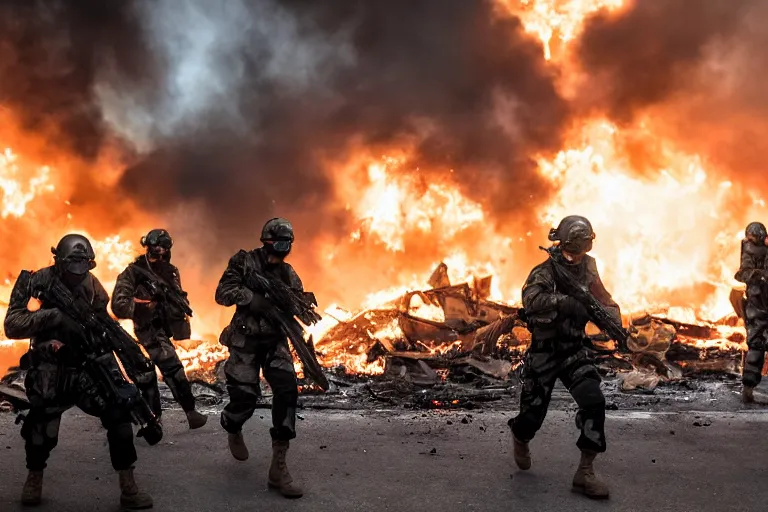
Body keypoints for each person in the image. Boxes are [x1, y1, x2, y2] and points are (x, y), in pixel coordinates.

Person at [4, 234, 153, 509]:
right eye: (71, 267)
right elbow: (12, 324)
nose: (76, 275)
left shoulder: (92, 285)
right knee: (40, 428)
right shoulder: (37, 281)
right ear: (58, 261)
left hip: (86, 367)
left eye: (82, 266)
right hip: (51, 367)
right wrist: (52, 318)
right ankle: (34, 477)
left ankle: (128, 486)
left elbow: (102, 322)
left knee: (119, 414)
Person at [509, 216, 620, 499]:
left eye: (581, 250)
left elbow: (602, 297)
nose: (575, 257)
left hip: (573, 350)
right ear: (561, 243)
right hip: (545, 353)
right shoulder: (545, 272)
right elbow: (530, 301)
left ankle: (585, 472)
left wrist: (615, 322)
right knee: (532, 416)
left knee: (594, 401)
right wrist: (565, 302)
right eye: (571, 250)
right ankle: (520, 436)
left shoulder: (588, 267)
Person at [214, 218, 304, 499]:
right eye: (279, 243)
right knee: (245, 399)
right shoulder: (244, 263)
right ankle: (232, 423)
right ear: (266, 241)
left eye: (287, 244)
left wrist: (291, 306)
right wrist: (250, 298)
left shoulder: (289, 274)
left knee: (287, 391)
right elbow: (222, 293)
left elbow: (299, 302)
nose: (283, 249)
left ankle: (279, 467)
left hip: (275, 342)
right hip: (246, 341)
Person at [111, 229, 207, 429]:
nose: (159, 252)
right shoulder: (133, 272)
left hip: (162, 329)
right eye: (155, 248)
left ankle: (189, 412)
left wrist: (177, 312)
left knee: (173, 369)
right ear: (147, 247)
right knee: (149, 375)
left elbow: (178, 298)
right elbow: (119, 304)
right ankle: (155, 419)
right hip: (144, 329)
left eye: (163, 248)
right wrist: (144, 305)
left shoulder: (170, 271)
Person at [734, 222, 768, 403]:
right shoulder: (749, 252)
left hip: (758, 303)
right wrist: (759, 275)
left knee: (757, 345)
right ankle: (748, 387)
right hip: (757, 303)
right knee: (756, 346)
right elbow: (743, 273)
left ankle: (750, 388)